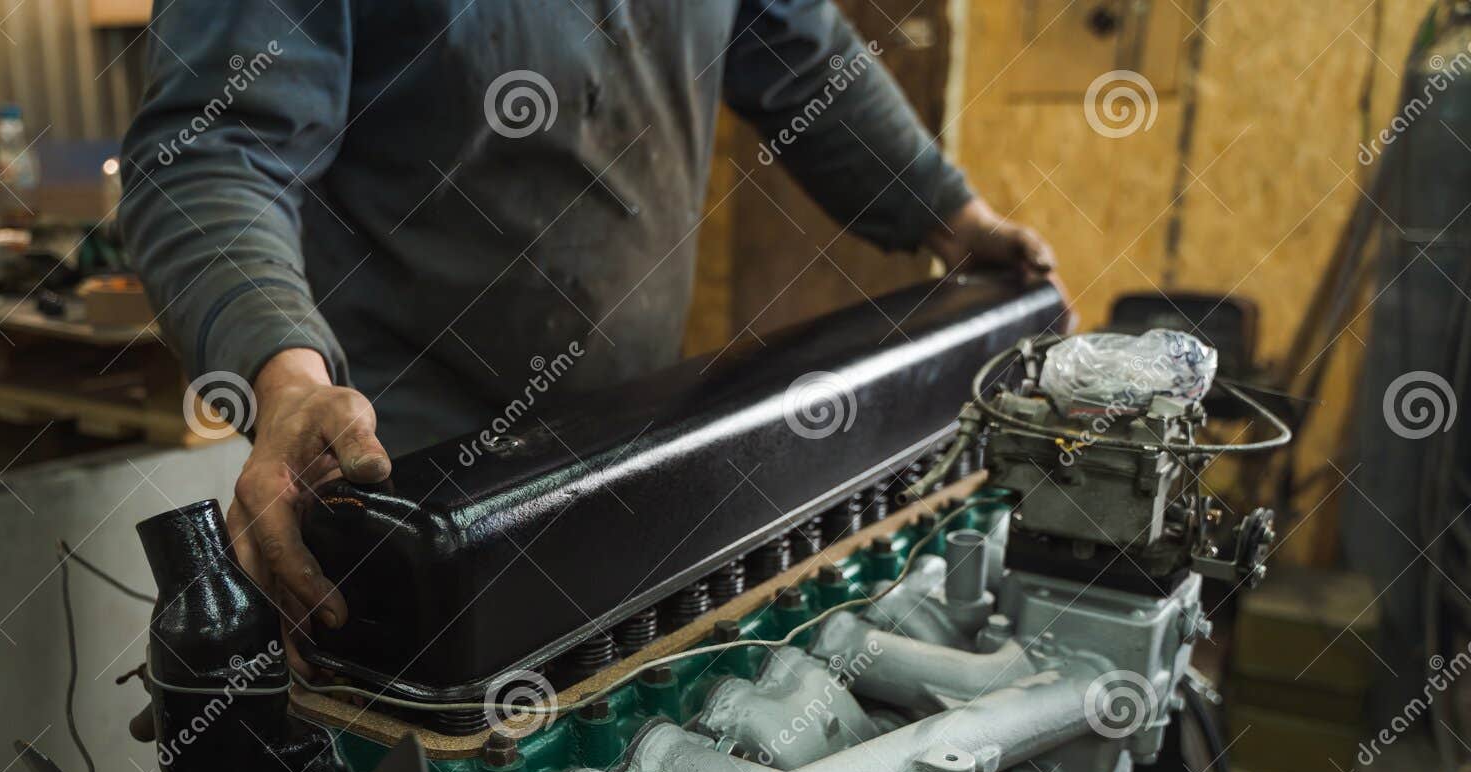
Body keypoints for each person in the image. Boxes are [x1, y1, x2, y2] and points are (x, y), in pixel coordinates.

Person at [120, 0, 1060, 646]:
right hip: (399, 484)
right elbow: (215, 154)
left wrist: (952, 220)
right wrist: (284, 380)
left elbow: (803, 56)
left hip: (632, 453)